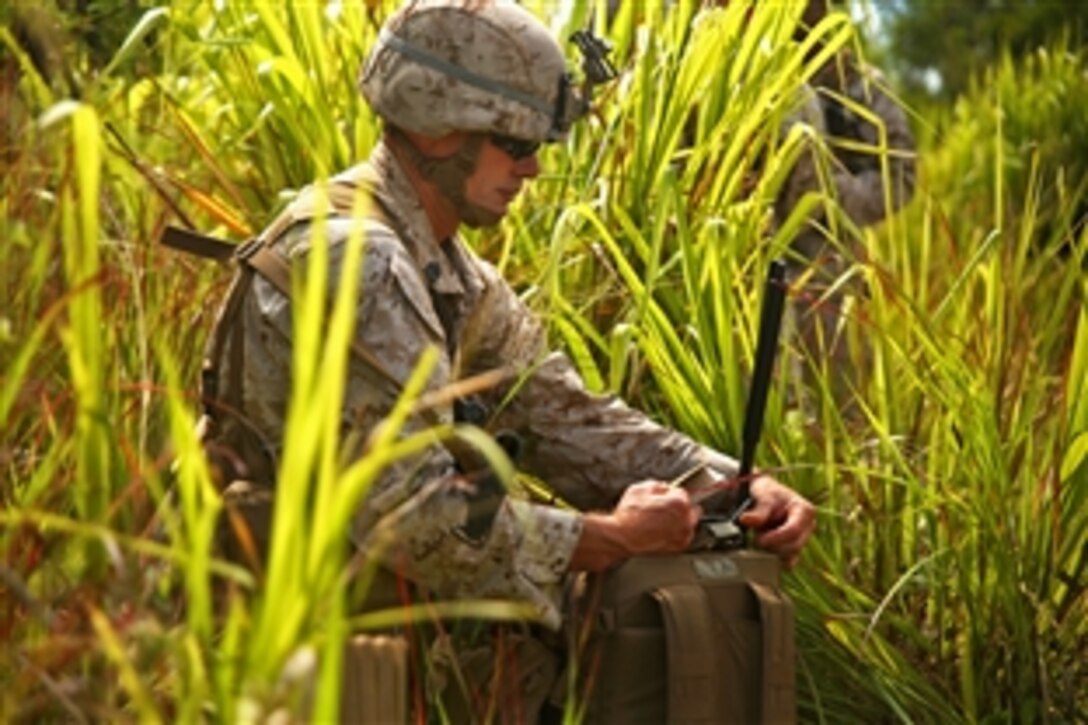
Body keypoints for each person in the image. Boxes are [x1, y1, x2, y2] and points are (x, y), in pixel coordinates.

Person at [202, 0, 815, 718]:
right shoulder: (362, 260)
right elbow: (416, 519)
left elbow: (565, 416)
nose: (530, 167)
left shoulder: (441, 263)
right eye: (513, 140)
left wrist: (729, 484)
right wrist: (605, 538)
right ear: (438, 131)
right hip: (304, 652)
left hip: (374, 623)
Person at [776, 0, 917, 416]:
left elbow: (901, 177)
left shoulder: (862, 86)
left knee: (841, 406)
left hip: (830, 267)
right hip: (758, 263)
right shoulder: (757, 72)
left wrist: (831, 193)